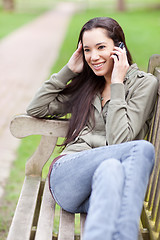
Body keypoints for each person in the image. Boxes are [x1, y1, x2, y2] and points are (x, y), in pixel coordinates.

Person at [26, 17, 158, 240]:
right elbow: (36, 108)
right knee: (142, 149)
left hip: (103, 186)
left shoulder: (143, 84)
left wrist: (117, 83)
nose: (93, 57)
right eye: (87, 50)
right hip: (68, 176)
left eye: (101, 47)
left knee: (111, 168)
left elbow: (119, 141)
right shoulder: (86, 85)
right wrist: (68, 70)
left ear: (120, 48)